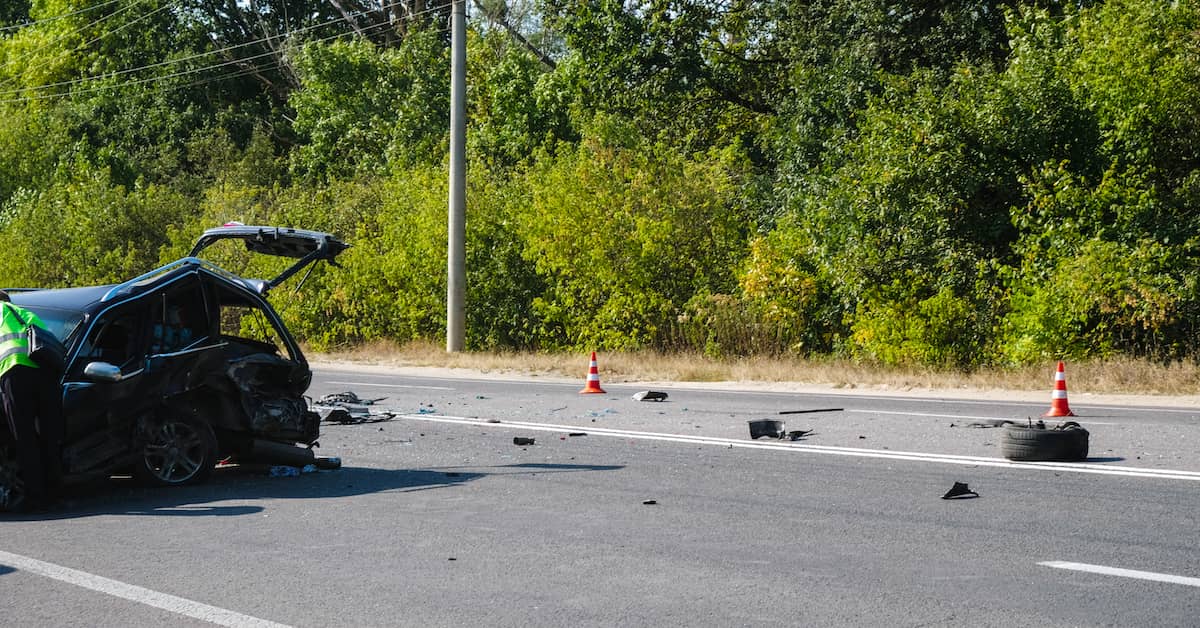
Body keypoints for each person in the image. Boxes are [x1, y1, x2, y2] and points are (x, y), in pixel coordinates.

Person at [0, 290, 64, 510]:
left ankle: (35, 497)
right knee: (49, 435)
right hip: (44, 374)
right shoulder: (25, 313)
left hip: (15, 373)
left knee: (24, 437)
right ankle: (56, 494)